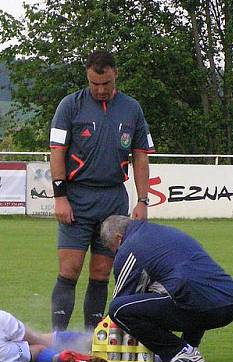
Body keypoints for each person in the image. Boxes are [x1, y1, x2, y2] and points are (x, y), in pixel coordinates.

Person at [48, 50, 155, 332]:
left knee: (102, 273)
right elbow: (57, 151)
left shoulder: (132, 109)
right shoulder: (69, 106)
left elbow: (141, 155)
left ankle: (89, 337)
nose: (100, 90)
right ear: (88, 76)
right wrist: (60, 197)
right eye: (94, 84)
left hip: (113, 200)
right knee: (69, 270)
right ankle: (59, 336)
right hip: (77, 199)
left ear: (115, 75)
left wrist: (143, 201)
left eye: (105, 83)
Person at [101, 215, 233, 362]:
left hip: (201, 304)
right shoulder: (166, 233)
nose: (116, 254)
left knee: (118, 309)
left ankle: (179, 351)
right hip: (232, 301)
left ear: (118, 237)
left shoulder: (129, 247)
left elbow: (123, 298)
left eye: (113, 249)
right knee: (186, 289)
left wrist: (99, 334)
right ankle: (189, 348)